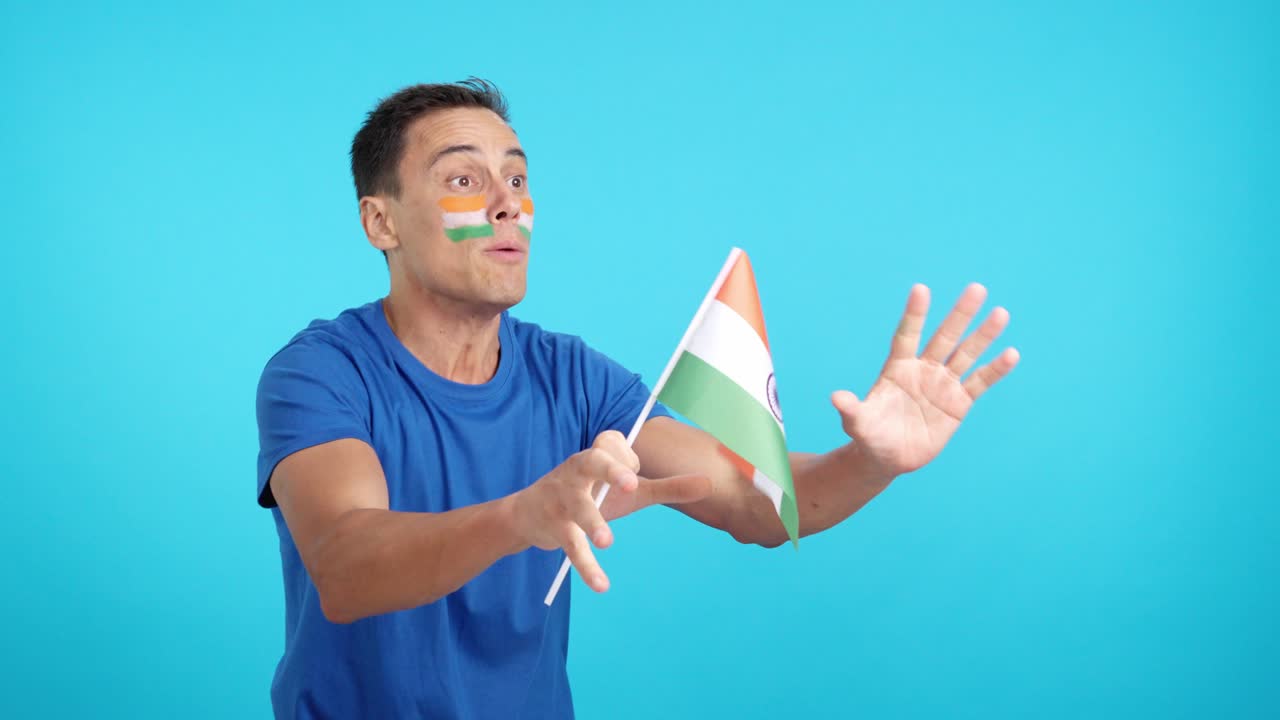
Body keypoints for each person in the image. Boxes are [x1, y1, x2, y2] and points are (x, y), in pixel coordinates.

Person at [255, 78, 1020, 719]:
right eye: (464, 179)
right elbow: (347, 568)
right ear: (380, 221)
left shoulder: (575, 379)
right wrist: (521, 515)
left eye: (517, 179)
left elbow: (758, 505)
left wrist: (872, 461)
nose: (507, 205)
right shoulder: (321, 372)